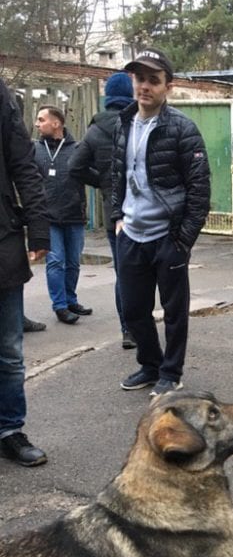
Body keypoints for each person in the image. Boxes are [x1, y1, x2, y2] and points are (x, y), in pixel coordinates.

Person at [110, 48, 211, 396]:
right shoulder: (123, 124)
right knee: (134, 308)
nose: (145, 87)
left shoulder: (182, 128)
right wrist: (117, 218)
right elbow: (117, 176)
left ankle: (171, 372)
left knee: (174, 312)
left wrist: (183, 239)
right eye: (140, 79)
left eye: (154, 80)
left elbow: (200, 188)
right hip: (131, 235)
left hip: (168, 237)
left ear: (168, 86)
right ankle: (150, 365)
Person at [0, 78, 49, 466]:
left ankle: (10, 430)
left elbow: (23, 164)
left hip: (1, 241)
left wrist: (38, 226)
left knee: (9, 349)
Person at [69, 71, 136, 349]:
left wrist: (104, 184)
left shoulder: (95, 130)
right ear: (129, 95)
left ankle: (127, 331)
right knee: (149, 272)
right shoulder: (137, 122)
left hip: (114, 213)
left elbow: (74, 166)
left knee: (123, 273)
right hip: (144, 210)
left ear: (108, 97)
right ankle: (147, 325)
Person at [34, 105, 92, 325]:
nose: (37, 124)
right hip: (47, 217)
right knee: (56, 261)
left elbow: (91, 174)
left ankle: (70, 299)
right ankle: (59, 306)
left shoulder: (77, 149)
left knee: (73, 262)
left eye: (42, 120)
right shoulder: (35, 150)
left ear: (56, 123)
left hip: (73, 215)